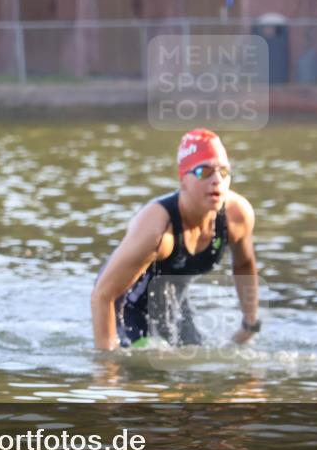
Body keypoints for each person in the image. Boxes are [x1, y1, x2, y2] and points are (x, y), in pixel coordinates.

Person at [92, 128, 260, 351]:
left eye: (224, 171)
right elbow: (103, 295)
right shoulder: (158, 229)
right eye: (204, 172)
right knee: (152, 369)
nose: (217, 180)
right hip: (126, 306)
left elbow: (244, 264)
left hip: (172, 301)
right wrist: (108, 370)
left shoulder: (236, 215)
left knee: (195, 366)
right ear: (183, 180)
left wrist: (250, 323)